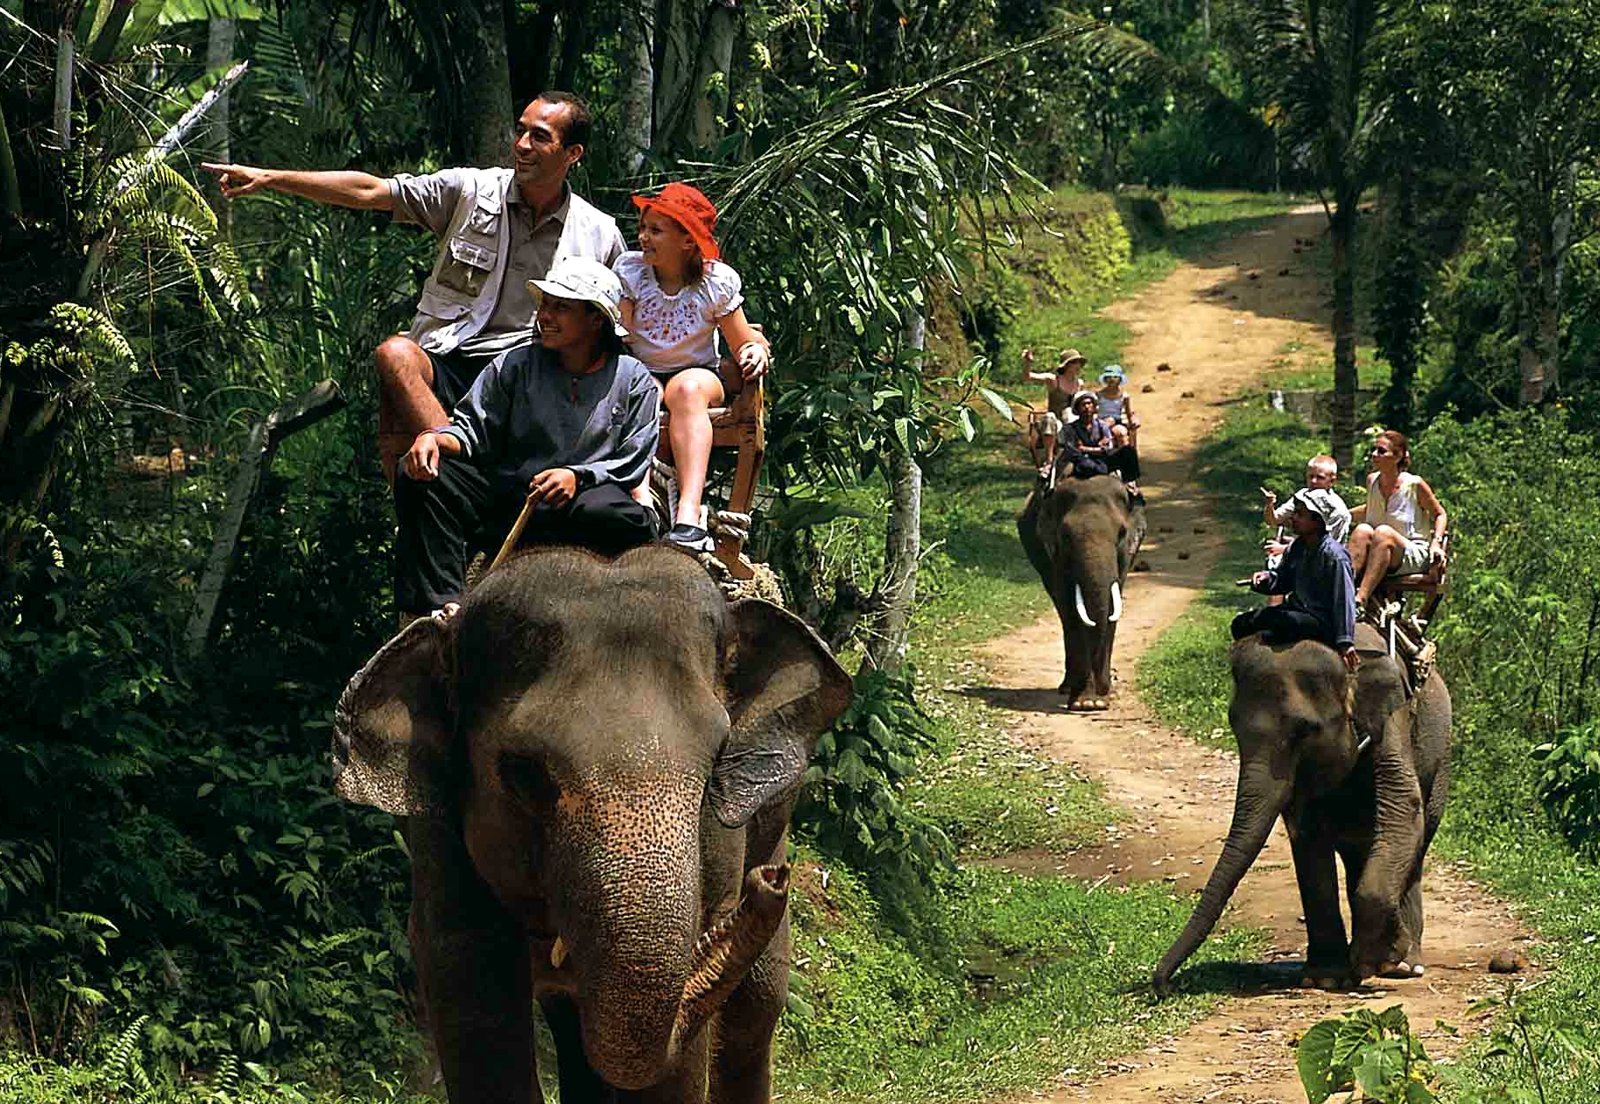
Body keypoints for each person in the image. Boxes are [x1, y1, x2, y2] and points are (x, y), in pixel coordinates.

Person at [202, 92, 628, 484]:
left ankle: (458, 474)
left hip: (528, 373)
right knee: (395, 354)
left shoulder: (599, 233)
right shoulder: (471, 190)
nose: (521, 145)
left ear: (572, 154)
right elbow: (371, 190)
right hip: (449, 356)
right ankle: (455, 463)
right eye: (520, 131)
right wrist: (270, 177)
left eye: (539, 137)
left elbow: (618, 332)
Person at [393, 259, 658, 618]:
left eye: (561, 307)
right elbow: (472, 430)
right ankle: (440, 606)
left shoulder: (632, 377)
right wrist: (434, 439)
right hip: (515, 501)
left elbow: (632, 460)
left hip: (581, 507)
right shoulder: (515, 365)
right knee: (422, 474)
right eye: (545, 304)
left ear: (596, 319)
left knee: (616, 515)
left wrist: (577, 477)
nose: (545, 315)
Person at [613, 182, 769, 553]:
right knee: (642, 387)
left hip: (698, 374)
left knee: (685, 389)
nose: (643, 237)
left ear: (687, 241)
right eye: (643, 228)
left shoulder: (715, 282)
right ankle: (641, 497)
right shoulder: (632, 272)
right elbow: (621, 334)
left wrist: (754, 351)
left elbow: (742, 339)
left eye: (655, 230)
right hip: (643, 371)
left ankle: (689, 512)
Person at [1231, 488, 1360, 672]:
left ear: (1317, 521)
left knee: (1278, 621)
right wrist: (1266, 578)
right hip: (1296, 612)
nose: (1293, 518)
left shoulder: (1335, 556)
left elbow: (1344, 600)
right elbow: (1283, 580)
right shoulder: (1298, 546)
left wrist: (1345, 641)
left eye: (1299, 514)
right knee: (1240, 624)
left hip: (1319, 620)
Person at [1347, 429, 1448, 611]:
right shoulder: (1372, 481)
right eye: (1374, 450)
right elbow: (1371, 508)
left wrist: (1436, 543)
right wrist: (1341, 516)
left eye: (1381, 451)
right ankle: (1342, 589)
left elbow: (1440, 514)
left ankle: (1360, 600)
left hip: (1411, 551)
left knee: (1383, 532)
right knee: (1362, 530)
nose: (1374, 455)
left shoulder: (1414, 485)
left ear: (1398, 456)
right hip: (1379, 550)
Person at [1259, 454, 1350, 606]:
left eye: (1319, 478)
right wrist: (1270, 505)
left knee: (1282, 563)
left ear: (1332, 481)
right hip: (1302, 550)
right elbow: (1273, 520)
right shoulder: (1302, 496)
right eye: (1310, 477)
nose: (1314, 482)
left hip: (1324, 562)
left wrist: (1285, 549)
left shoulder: (1338, 511)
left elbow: (1328, 546)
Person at [1055, 391, 1141, 490]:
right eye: (1083, 404)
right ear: (1077, 409)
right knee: (1083, 466)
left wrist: (1087, 449)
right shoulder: (1070, 428)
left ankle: (1130, 485)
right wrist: (1096, 449)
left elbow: (1108, 447)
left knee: (1128, 451)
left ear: (1094, 407)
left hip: (1101, 460)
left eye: (1089, 403)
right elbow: (1073, 450)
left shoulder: (1102, 425)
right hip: (1082, 461)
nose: (1087, 407)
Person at [1022, 347, 1088, 469]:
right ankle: (1049, 460)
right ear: (1066, 365)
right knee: (1049, 417)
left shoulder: (1080, 383)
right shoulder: (1053, 380)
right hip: (1055, 421)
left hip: (1073, 422)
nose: (1077, 365)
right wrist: (1028, 362)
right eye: (1074, 362)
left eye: (1079, 362)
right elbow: (1027, 377)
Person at [1095, 364, 1140, 448]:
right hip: (1101, 421)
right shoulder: (1098, 394)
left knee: (1121, 433)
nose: (1112, 379)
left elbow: (1128, 413)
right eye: (1109, 377)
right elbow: (1093, 410)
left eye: (1115, 377)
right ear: (1105, 379)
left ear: (1120, 379)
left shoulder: (1124, 396)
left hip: (1116, 421)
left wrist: (1133, 424)